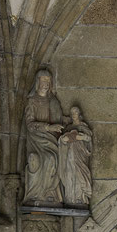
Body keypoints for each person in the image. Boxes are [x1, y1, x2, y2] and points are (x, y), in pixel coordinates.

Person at [22, 69, 66, 206]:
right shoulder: (32, 101)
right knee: (46, 159)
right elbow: (29, 125)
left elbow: (58, 118)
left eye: (48, 81)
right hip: (37, 139)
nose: (46, 84)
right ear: (37, 82)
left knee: (55, 159)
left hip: (51, 139)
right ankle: (38, 194)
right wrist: (48, 127)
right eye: (43, 80)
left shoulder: (53, 101)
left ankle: (50, 192)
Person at [59, 106, 93, 208]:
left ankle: (80, 197)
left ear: (79, 114)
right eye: (72, 113)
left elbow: (88, 140)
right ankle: (70, 198)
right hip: (70, 155)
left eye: (76, 113)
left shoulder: (84, 127)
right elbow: (63, 141)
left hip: (80, 155)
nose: (74, 115)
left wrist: (81, 137)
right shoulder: (68, 128)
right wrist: (64, 139)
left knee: (80, 175)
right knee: (70, 173)